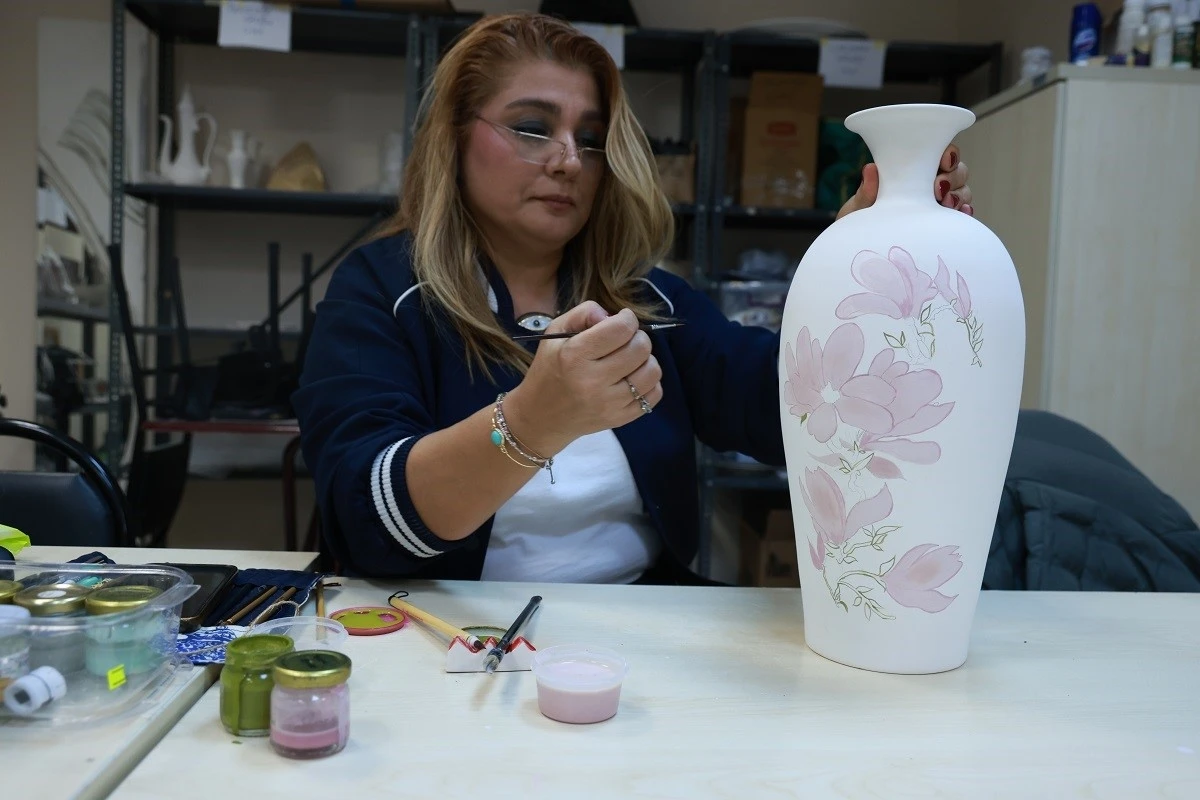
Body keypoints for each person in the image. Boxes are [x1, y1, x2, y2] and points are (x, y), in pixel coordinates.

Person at [292, 13, 973, 584]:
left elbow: (789, 409)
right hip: (447, 641)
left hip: (636, 635)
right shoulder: (384, 293)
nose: (568, 159)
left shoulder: (647, 304)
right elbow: (365, 521)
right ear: (455, 137)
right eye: (532, 127)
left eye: (591, 139)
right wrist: (528, 423)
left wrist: (860, 262)